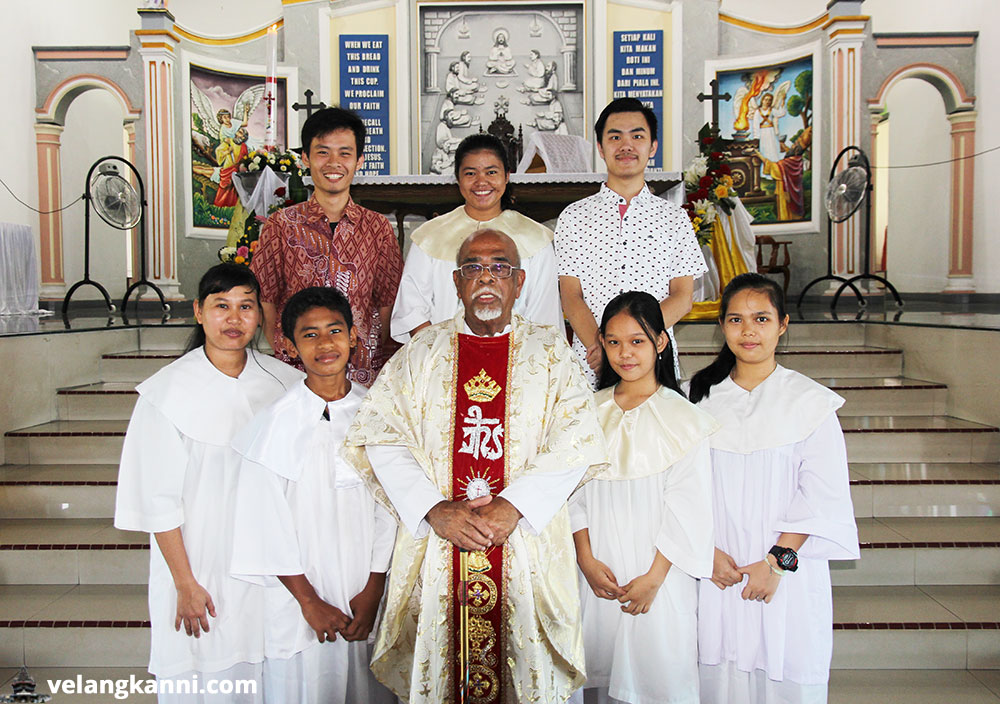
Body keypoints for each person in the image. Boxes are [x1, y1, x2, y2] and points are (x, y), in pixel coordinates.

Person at [344, 229, 608, 703]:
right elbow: (382, 436)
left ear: (520, 281)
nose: (487, 277)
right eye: (474, 268)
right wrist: (433, 509)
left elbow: (578, 439)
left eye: (500, 266)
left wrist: (515, 506)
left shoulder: (552, 353)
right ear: (457, 281)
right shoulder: (419, 354)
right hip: (441, 546)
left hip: (523, 542)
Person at [114, 264, 303, 702]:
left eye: (245, 307)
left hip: (270, 572)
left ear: (261, 316)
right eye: (221, 306)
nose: (234, 319)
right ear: (199, 312)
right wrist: (184, 583)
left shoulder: (286, 385)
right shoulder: (166, 393)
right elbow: (157, 500)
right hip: (200, 569)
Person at [689, 273, 860, 704]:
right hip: (718, 571)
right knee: (718, 676)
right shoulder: (700, 401)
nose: (749, 331)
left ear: (782, 324)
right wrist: (704, 552)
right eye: (736, 319)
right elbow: (682, 488)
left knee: (783, 678)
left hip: (787, 573)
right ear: (722, 326)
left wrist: (776, 563)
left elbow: (822, 496)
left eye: (761, 318)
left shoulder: (811, 403)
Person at [229, 286, 395, 704]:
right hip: (300, 601)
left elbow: (390, 508)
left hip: (364, 594)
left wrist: (375, 587)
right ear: (289, 346)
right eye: (310, 335)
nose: (325, 344)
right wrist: (308, 600)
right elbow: (263, 524)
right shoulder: (273, 424)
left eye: (335, 331)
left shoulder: (376, 414)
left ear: (354, 336)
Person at [569, 291, 718, 704]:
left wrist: (653, 579)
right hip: (598, 573)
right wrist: (585, 559)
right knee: (599, 669)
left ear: (661, 343)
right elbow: (572, 497)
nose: (624, 353)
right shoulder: (587, 412)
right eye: (613, 341)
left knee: (657, 679)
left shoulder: (684, 418)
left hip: (660, 578)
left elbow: (689, 508)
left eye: (637, 340)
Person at [555, 97, 707, 387]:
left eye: (637, 136)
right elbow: (571, 296)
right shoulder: (574, 217)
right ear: (600, 147)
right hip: (593, 358)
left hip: (654, 358)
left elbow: (682, 296)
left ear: (652, 147)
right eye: (615, 137)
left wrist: (638, 343)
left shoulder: (673, 218)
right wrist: (603, 347)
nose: (626, 146)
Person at [250, 106, 403, 385]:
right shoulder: (281, 225)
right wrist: (283, 349)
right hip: (298, 370)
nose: (334, 163)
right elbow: (266, 295)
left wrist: (379, 358)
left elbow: (387, 301)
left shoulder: (377, 228)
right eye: (323, 152)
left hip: (361, 372)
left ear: (359, 161)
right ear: (306, 158)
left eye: (345, 153)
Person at [391, 133, 562, 342]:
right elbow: (412, 309)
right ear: (458, 178)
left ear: (507, 176)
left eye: (491, 172)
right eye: (471, 173)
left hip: (516, 360)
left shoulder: (535, 238)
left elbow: (543, 314)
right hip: (443, 359)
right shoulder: (430, 236)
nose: (482, 182)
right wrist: (439, 354)